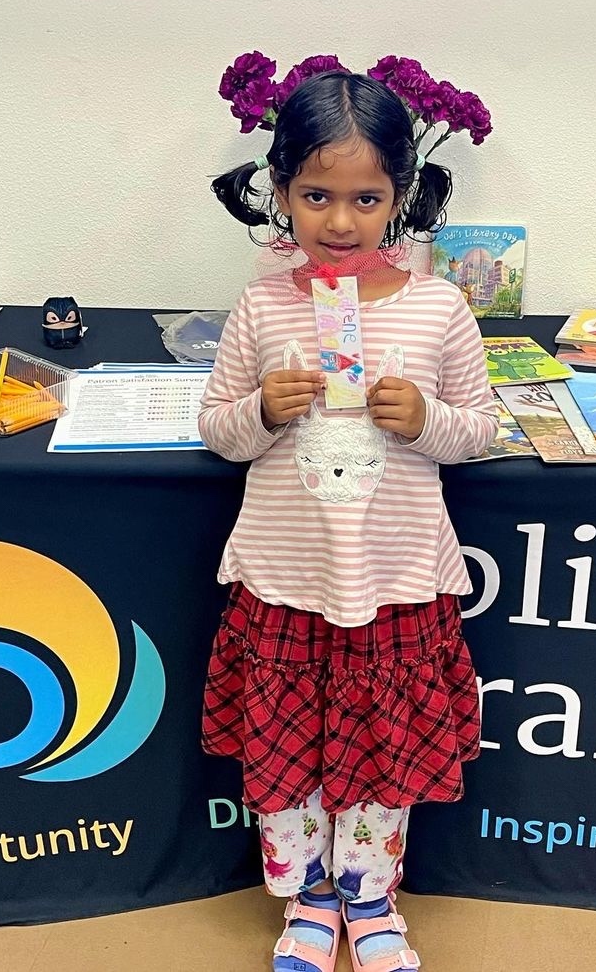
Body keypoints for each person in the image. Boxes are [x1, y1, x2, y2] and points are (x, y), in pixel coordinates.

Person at [199, 70, 496, 972]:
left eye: (366, 198)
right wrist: (261, 409)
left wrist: (426, 421)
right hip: (287, 582)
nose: (339, 220)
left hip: (394, 583)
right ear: (280, 192)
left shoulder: (439, 307)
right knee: (286, 760)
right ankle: (307, 902)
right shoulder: (263, 305)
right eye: (316, 195)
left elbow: (478, 430)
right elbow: (216, 429)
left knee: (379, 759)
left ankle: (371, 900)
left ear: (399, 197)